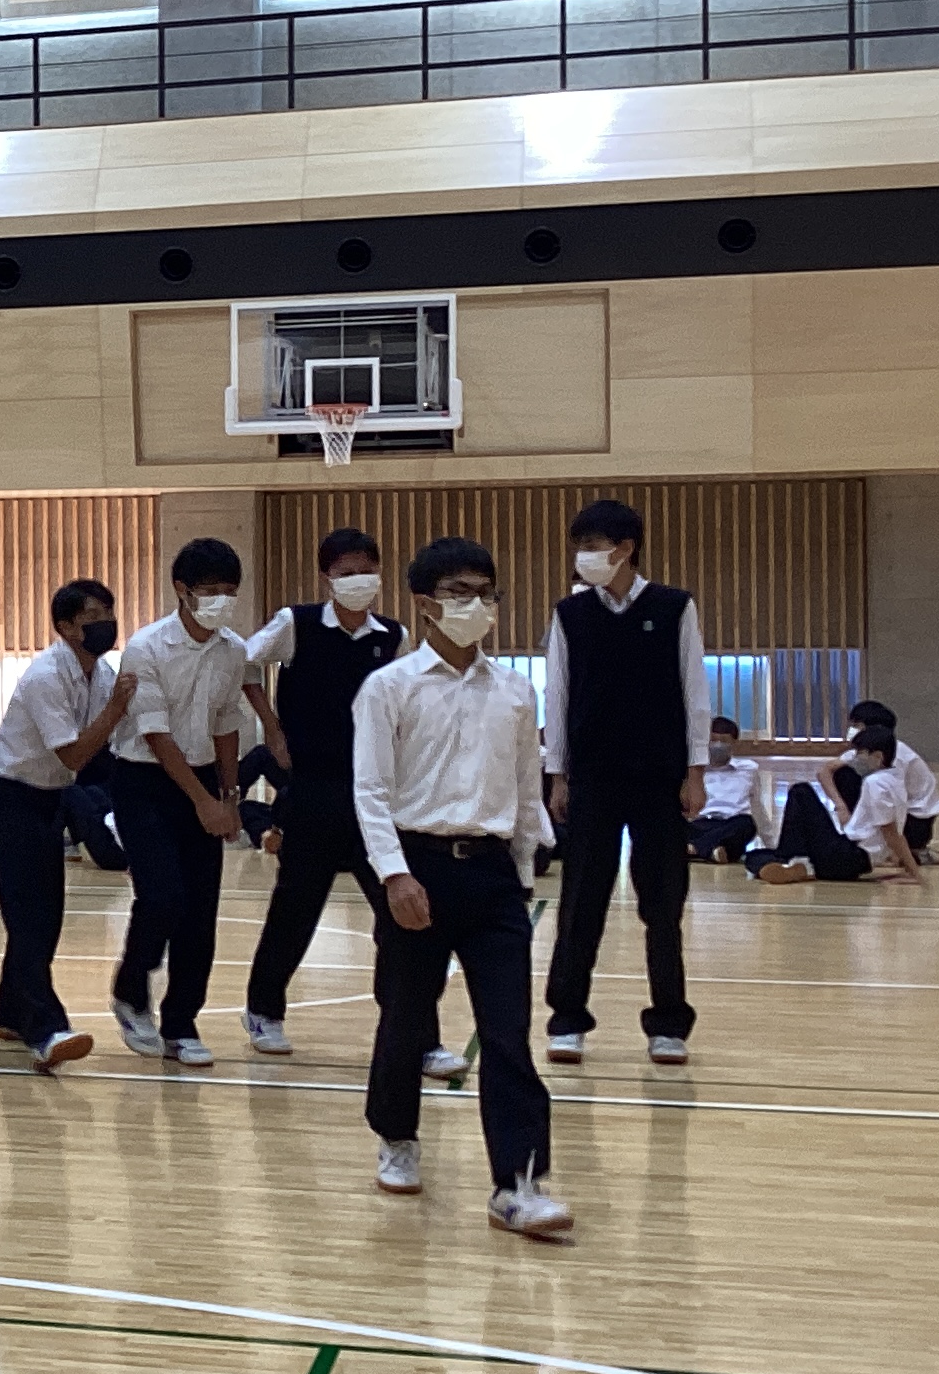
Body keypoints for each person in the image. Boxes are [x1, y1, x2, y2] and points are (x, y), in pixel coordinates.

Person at [355, 537, 571, 1241]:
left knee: (507, 1031)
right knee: (406, 1018)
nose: (475, 604)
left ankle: (518, 1182)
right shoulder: (389, 687)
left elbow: (525, 788)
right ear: (425, 604)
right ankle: (396, 1135)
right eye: (459, 592)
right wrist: (394, 874)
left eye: (485, 592)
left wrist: (525, 873)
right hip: (417, 867)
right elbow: (371, 790)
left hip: (493, 875)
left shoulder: (514, 691)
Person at [238, 527, 464, 1076]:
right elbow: (242, 664)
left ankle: (417, 1035)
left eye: (367, 569)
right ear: (327, 577)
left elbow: (410, 699)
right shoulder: (295, 624)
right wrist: (272, 728)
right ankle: (263, 1010)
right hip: (313, 790)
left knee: (401, 915)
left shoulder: (393, 636)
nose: (358, 579)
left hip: (375, 795)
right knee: (295, 910)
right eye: (346, 572)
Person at [540, 498, 710, 1071]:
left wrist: (695, 772)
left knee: (662, 903)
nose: (584, 557)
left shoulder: (674, 607)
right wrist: (558, 775)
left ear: (626, 549)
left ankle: (668, 1024)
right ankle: (567, 1020)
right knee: (580, 901)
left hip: (659, 777)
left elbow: (694, 691)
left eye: (594, 546)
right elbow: (557, 695)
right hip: (592, 777)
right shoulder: (570, 614)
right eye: (580, 547)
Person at [0, 582, 135, 1074]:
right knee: (31, 916)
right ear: (65, 627)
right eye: (93, 615)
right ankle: (45, 1030)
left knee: (45, 914)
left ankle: (9, 1016)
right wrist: (116, 709)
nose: (105, 622)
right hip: (4, 793)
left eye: (109, 612)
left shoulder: (101, 673)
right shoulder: (46, 676)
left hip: (47, 795)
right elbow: (75, 754)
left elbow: (105, 746)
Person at [98, 541, 253, 1065]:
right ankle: (130, 989)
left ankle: (182, 1023)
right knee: (163, 896)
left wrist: (228, 797)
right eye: (210, 591)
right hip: (144, 780)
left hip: (204, 776)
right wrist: (203, 802)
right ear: (182, 591)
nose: (221, 600)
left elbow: (226, 723)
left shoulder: (233, 649)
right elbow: (156, 733)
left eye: (229, 591)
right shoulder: (147, 647)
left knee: (201, 912)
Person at [751, 728, 923, 885]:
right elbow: (898, 834)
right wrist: (910, 870)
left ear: (878, 756)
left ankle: (790, 862)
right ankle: (798, 865)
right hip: (853, 861)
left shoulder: (876, 783)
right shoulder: (895, 779)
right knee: (756, 855)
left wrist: (915, 875)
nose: (856, 759)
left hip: (848, 856)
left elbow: (891, 832)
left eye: (861, 754)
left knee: (801, 791)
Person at [844, 700, 939, 862]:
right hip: (902, 814)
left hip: (915, 821)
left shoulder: (896, 759)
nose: (852, 730)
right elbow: (830, 769)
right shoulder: (874, 750)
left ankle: (910, 854)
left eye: (856, 725)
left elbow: (892, 814)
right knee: (845, 775)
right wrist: (841, 808)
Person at [687, 717, 761, 863]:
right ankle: (713, 851)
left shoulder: (749, 769)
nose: (718, 745)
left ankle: (695, 849)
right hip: (702, 822)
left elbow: (758, 806)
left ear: (734, 743)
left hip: (732, 822)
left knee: (746, 824)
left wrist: (772, 844)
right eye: (714, 740)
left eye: (724, 741)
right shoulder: (696, 771)